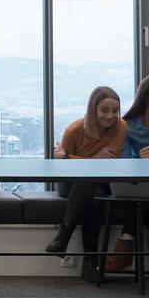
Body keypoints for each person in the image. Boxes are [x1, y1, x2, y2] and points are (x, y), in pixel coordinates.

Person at [99, 75, 149, 274]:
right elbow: (125, 162)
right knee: (147, 193)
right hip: (140, 178)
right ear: (146, 96)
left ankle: (124, 250)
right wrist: (141, 163)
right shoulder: (127, 125)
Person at [44, 87, 127, 281]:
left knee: (95, 192)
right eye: (105, 110)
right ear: (93, 109)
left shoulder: (120, 126)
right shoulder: (74, 129)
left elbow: (106, 162)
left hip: (99, 180)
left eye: (115, 111)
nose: (110, 116)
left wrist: (76, 158)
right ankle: (91, 262)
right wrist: (91, 159)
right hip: (70, 182)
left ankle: (64, 234)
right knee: (91, 187)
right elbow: (62, 163)